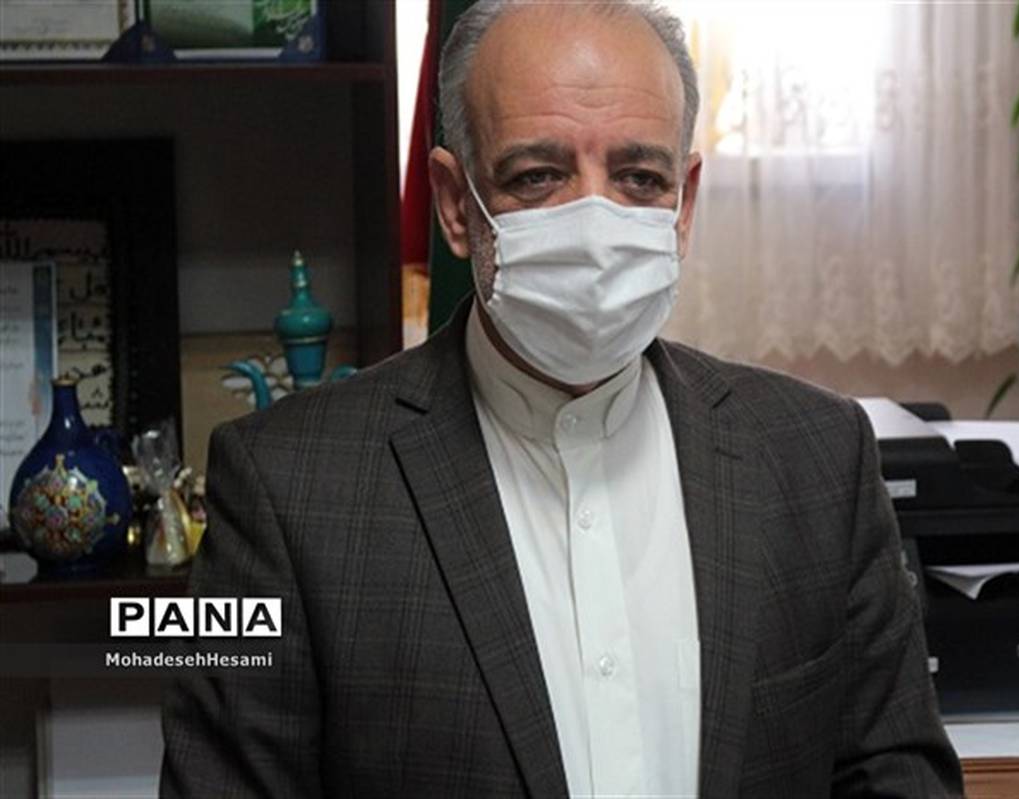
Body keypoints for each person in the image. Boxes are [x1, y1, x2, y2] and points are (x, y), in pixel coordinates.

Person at [160, 1, 963, 796]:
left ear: (683, 205)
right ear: (455, 204)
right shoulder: (281, 489)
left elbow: (897, 776)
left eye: (639, 178)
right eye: (537, 177)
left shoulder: (820, 457)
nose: (594, 222)